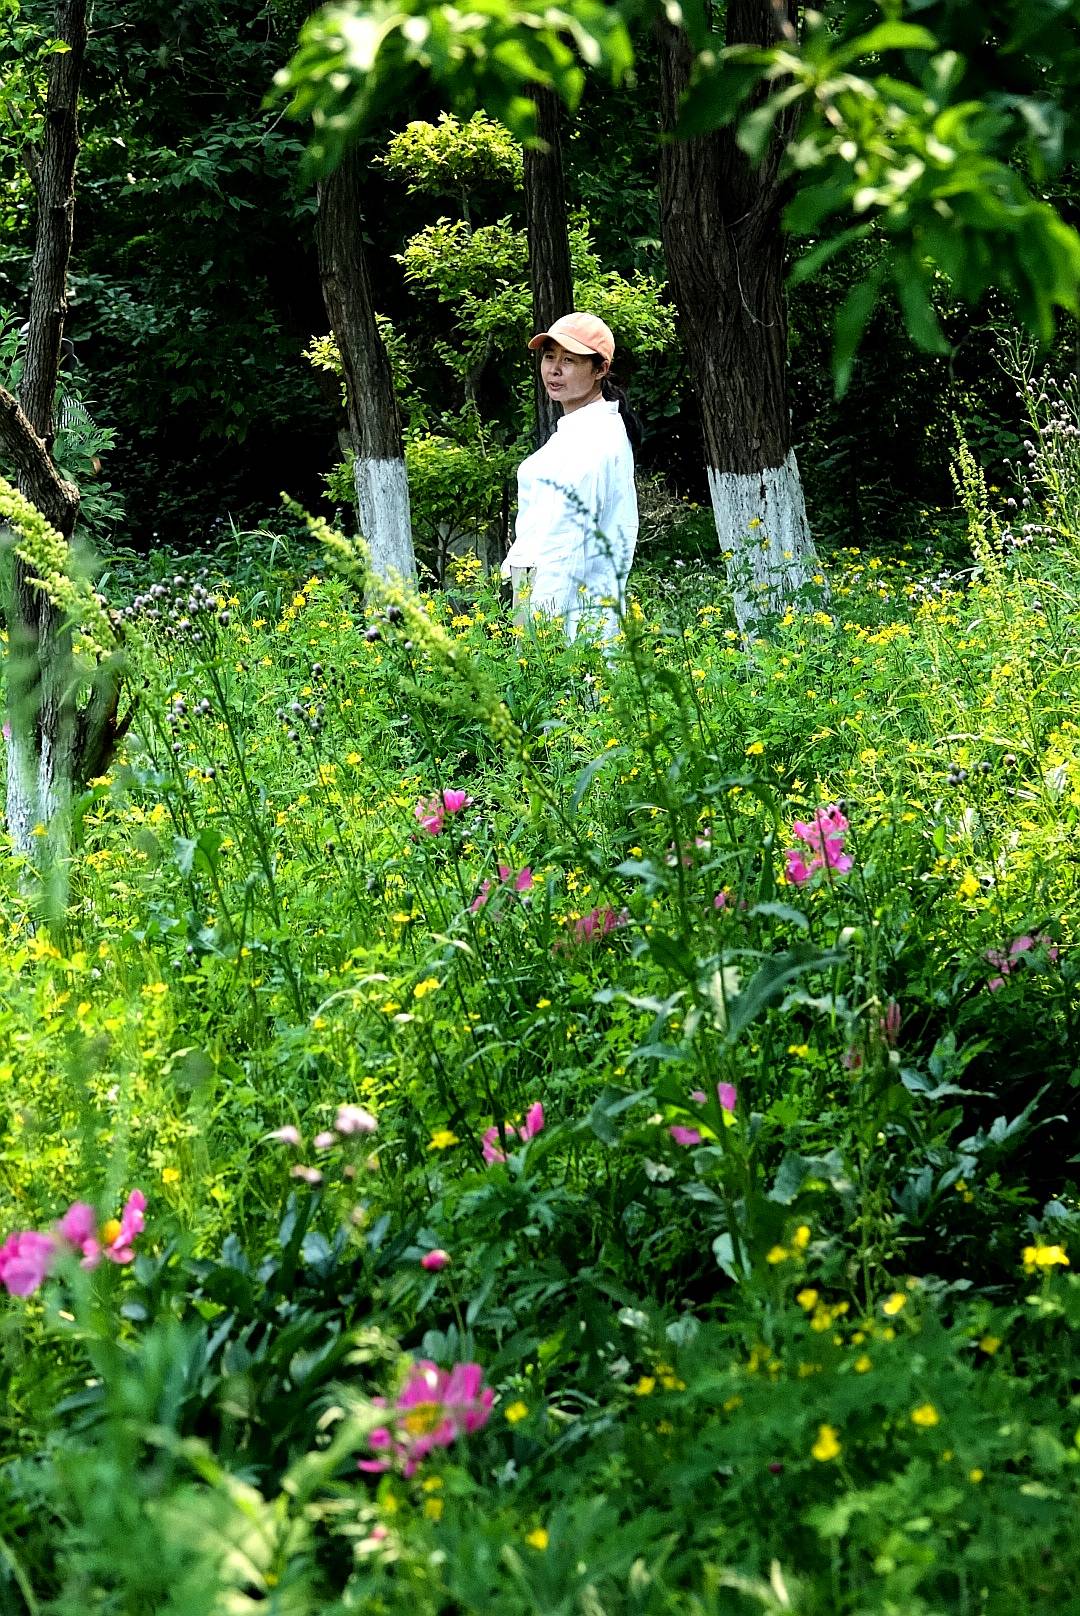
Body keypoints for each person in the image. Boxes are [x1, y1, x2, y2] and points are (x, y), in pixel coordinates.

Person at [501, 312, 640, 643]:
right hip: (558, 603)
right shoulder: (582, 431)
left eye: (570, 360)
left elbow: (566, 542)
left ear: (600, 370)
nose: (554, 369)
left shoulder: (592, 442)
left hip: (570, 621)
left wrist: (538, 637)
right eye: (549, 357)